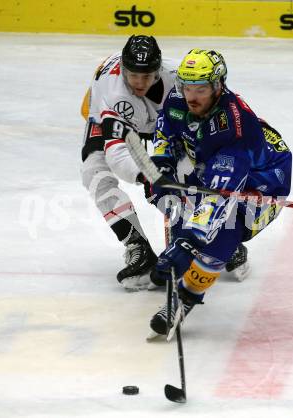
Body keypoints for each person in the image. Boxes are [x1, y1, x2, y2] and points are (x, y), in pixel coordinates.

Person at [146, 48, 292, 335]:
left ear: (218, 86)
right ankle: (198, 249)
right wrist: (162, 165)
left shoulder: (236, 127)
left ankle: (185, 299)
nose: (191, 96)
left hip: (264, 181)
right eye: (187, 86)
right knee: (175, 198)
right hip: (209, 161)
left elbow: (216, 198)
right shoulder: (177, 100)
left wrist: (187, 242)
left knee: (225, 229)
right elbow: (165, 131)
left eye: (200, 88)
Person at [80, 35, 176, 290]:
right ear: (123, 69)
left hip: (160, 121)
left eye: (147, 76)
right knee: (93, 171)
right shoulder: (112, 92)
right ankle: (137, 246)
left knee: (184, 169)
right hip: (109, 117)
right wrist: (147, 175)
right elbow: (117, 154)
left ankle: (208, 233)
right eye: (133, 75)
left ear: (159, 70)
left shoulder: (177, 80)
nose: (140, 82)